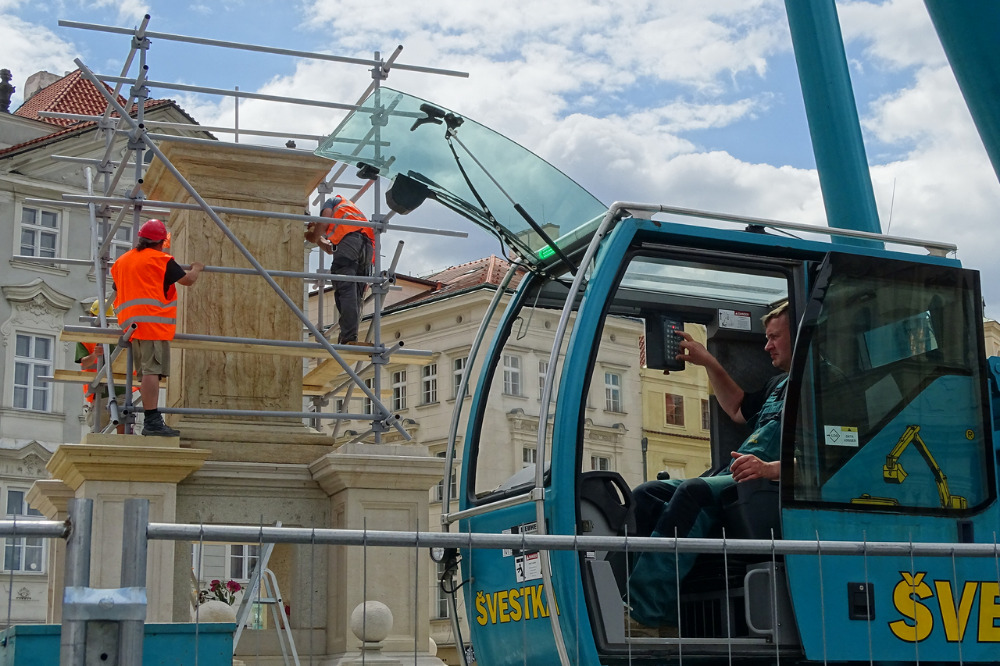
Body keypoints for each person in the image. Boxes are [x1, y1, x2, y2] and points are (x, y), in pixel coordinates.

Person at [625, 301, 792, 635]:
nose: (766, 345)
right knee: (646, 494)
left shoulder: (822, 386)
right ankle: (662, 609)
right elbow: (737, 408)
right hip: (739, 475)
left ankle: (647, 615)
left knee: (694, 492)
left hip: (768, 486)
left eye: (775, 337)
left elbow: (834, 464)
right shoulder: (778, 385)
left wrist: (770, 469)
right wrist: (708, 362)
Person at [110, 219, 204, 437]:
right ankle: (152, 421)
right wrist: (197, 267)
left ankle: (151, 419)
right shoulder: (161, 259)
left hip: (131, 326)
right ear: (162, 241)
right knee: (152, 371)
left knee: (145, 373)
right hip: (152, 322)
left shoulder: (123, 261)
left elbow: (117, 286)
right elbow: (188, 280)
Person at [304, 195, 374, 345]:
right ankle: (350, 337)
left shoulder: (332, 202)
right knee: (355, 295)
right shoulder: (349, 215)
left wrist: (313, 234)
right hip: (366, 248)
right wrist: (317, 238)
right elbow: (330, 249)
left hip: (351, 244)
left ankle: (348, 337)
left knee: (345, 289)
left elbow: (325, 221)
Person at [76, 299, 134, 434]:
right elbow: (83, 363)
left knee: (123, 425)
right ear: (91, 317)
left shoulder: (115, 339)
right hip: (99, 392)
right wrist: (95, 355)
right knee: (98, 430)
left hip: (119, 389)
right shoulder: (86, 339)